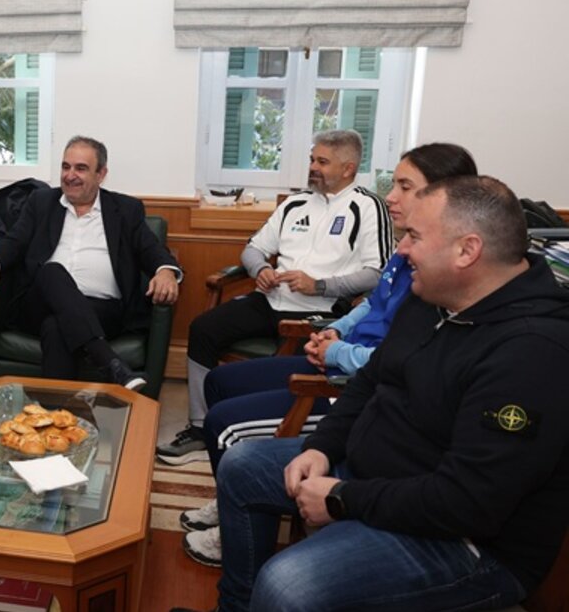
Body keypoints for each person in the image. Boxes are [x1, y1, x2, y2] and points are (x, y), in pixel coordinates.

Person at [176, 176, 569, 612]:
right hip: (380, 475)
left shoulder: (533, 352)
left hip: (467, 541)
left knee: (287, 585)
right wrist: (322, 447)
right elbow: (370, 380)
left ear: (467, 251)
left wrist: (342, 498)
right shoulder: (433, 296)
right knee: (242, 467)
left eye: (414, 236)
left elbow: (469, 503)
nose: (402, 250)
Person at [179, 143, 479, 567]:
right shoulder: (404, 250)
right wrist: (336, 331)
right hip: (327, 339)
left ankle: (237, 523)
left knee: (226, 425)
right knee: (220, 380)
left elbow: (393, 359)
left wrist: (334, 337)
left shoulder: (436, 272)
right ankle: (232, 499)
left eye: (404, 186)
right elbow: (373, 304)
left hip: (349, 380)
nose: (391, 195)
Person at [161, 129, 392, 465]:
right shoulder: (296, 203)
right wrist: (260, 269)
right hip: (270, 299)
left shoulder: (368, 206)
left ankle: (259, 440)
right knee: (203, 329)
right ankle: (199, 427)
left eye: (322, 161)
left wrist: (320, 285)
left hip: (321, 313)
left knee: (289, 379)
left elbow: (377, 273)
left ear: (348, 168)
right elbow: (253, 249)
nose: (312, 167)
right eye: (312, 159)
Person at [0, 135, 181, 388]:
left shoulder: (125, 209)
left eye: (81, 168)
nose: (70, 175)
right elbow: (14, 241)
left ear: (101, 174)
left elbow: (152, 249)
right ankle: (109, 361)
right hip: (38, 304)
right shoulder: (41, 202)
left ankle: (56, 410)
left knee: (56, 327)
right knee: (52, 271)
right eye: (65, 167)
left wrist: (166, 272)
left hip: (103, 310)